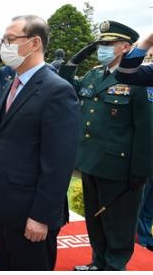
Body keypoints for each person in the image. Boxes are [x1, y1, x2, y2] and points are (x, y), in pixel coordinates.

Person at [0, 15, 79, 270]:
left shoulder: (57, 90)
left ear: (35, 43)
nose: (4, 46)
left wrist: (41, 216)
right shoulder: (11, 83)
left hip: (30, 211)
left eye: (10, 39)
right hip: (4, 204)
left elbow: (58, 162)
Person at [59, 20, 153, 271]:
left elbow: (146, 129)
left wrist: (140, 171)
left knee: (118, 224)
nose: (102, 47)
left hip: (119, 168)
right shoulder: (93, 75)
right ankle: (97, 262)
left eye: (108, 44)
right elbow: (66, 85)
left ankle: (113, 267)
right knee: (95, 221)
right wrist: (73, 61)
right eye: (100, 43)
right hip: (91, 161)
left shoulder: (140, 79)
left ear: (125, 48)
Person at [136, 178, 153, 251]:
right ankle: (142, 241)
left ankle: (147, 241)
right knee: (140, 208)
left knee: (149, 211)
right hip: (148, 172)